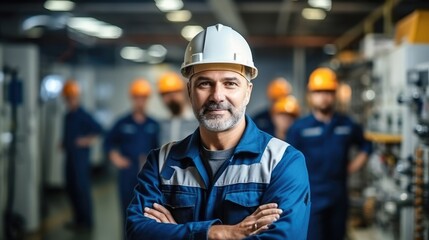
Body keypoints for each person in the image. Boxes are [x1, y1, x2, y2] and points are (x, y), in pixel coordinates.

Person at [126, 23, 310, 240]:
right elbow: (137, 231)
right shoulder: (160, 163)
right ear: (189, 91)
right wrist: (218, 233)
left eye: (230, 83)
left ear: (247, 92)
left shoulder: (282, 163)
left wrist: (176, 233)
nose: (217, 96)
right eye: (204, 83)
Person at [287, 67, 372, 240]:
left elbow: (366, 145)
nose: (324, 96)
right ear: (310, 95)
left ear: (335, 94)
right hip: (311, 198)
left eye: (328, 91)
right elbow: (287, 163)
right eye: (318, 92)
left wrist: (353, 166)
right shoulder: (299, 128)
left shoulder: (347, 124)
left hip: (339, 196)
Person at [104, 78, 160, 218]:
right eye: (137, 98)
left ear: (147, 99)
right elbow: (108, 142)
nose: (140, 101)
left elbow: (159, 149)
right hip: (127, 173)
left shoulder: (153, 124)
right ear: (132, 99)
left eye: (143, 98)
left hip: (148, 175)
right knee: (127, 210)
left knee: (147, 212)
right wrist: (115, 157)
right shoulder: (123, 122)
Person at [61, 80, 103, 231]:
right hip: (69, 159)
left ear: (77, 98)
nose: (70, 101)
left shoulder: (83, 114)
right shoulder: (68, 116)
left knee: (81, 189)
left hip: (80, 160)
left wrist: (86, 140)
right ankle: (78, 220)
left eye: (72, 98)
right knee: (71, 189)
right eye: (68, 98)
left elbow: (99, 128)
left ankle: (87, 222)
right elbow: (67, 135)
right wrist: (63, 143)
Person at [157, 72, 198, 145]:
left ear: (184, 92)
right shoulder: (162, 124)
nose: (171, 97)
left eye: (175, 92)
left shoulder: (197, 121)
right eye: (166, 94)